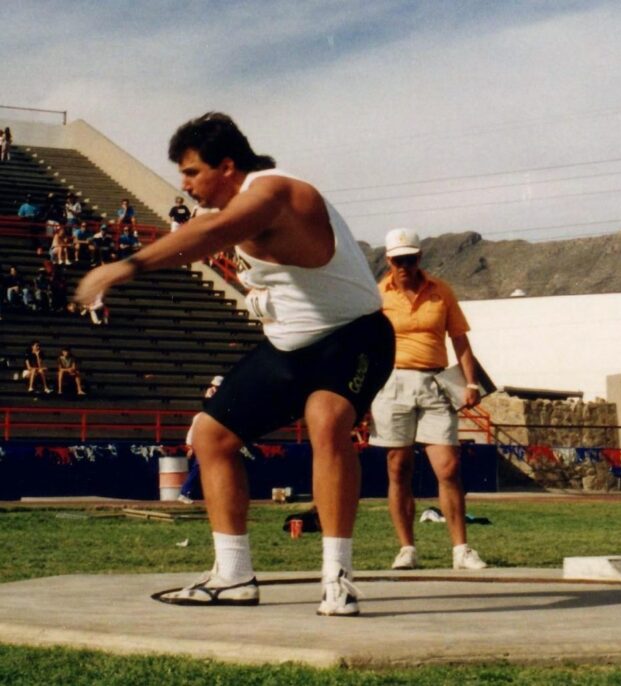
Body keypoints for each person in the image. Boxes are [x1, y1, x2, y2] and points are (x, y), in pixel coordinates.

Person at [75, 112, 395, 616]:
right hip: (288, 347)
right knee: (210, 435)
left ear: (227, 166)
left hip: (353, 336)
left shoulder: (278, 193)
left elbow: (215, 232)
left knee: (327, 419)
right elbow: (210, 231)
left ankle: (338, 577)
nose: (185, 185)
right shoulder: (226, 209)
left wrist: (124, 266)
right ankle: (234, 574)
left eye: (192, 172)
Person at [368, 228, 487, 572]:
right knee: (398, 467)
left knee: (448, 466)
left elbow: (460, 339)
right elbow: (368, 343)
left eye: (410, 259)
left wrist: (471, 383)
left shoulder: (441, 292)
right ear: (388, 260)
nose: (404, 266)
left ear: (420, 258)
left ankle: (461, 549)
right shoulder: (377, 296)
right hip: (392, 383)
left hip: (435, 382)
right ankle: (407, 548)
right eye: (397, 260)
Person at [179, 375, 224, 504]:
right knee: (199, 468)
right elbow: (192, 431)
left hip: (212, 445)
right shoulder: (202, 416)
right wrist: (190, 446)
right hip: (205, 445)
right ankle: (185, 492)